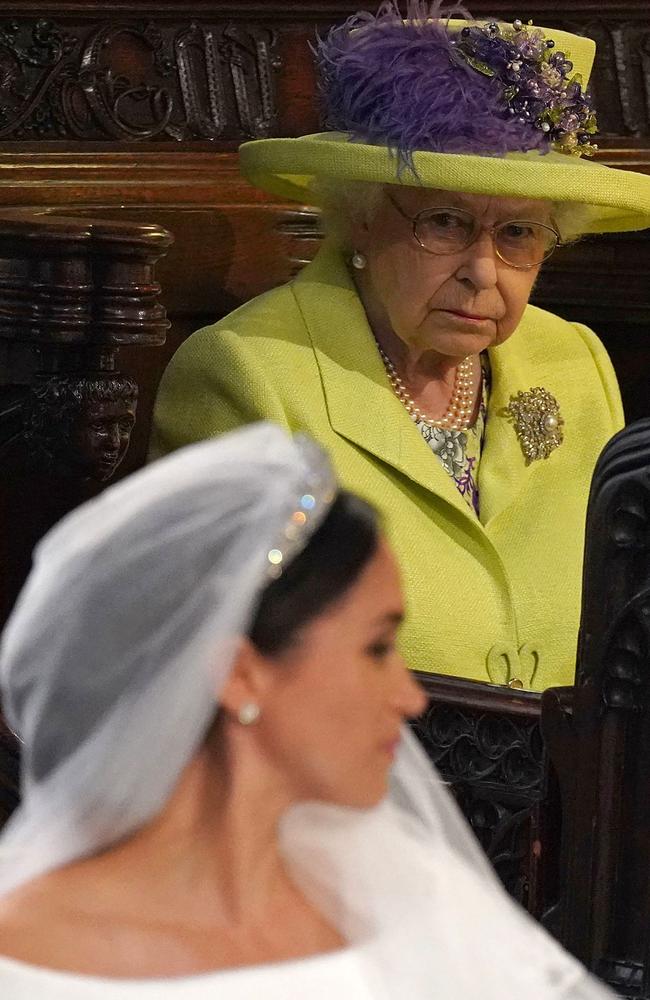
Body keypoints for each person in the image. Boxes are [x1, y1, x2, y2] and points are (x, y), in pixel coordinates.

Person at [0, 422, 610, 997]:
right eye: (375, 648)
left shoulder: (401, 891)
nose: (411, 696)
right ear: (240, 675)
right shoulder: (28, 962)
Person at [151, 2, 650, 691]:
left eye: (518, 234)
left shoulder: (575, 362)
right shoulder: (247, 375)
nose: (484, 270)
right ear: (357, 217)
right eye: (444, 222)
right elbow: (211, 668)